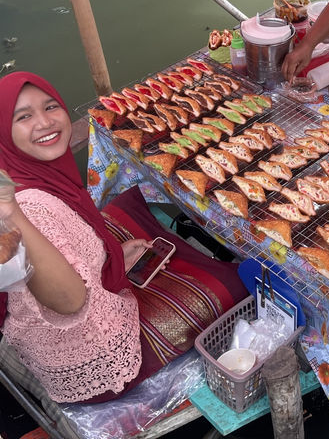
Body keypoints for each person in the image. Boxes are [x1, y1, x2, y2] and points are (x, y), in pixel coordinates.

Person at [0, 71, 248, 404]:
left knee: (127, 205)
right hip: (96, 362)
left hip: (69, 331)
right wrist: (9, 207)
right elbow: (70, 301)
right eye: (24, 116)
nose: (45, 122)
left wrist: (111, 256)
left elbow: (67, 249)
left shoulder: (37, 176)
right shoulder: (25, 206)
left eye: (50, 107)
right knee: (233, 284)